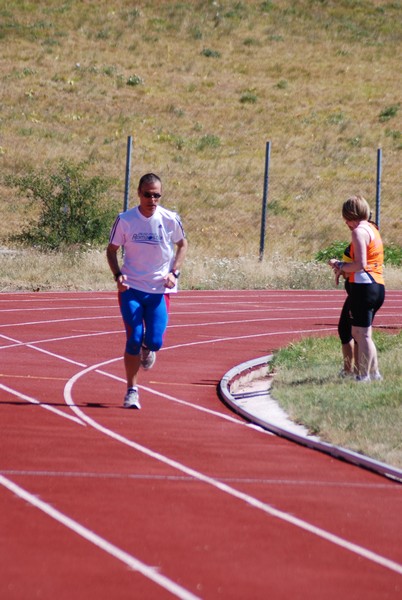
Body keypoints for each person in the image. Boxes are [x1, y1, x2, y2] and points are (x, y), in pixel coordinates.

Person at [106, 173, 188, 409]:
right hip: (131, 288)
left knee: (154, 341)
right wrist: (117, 275)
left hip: (159, 291)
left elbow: (182, 244)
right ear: (139, 194)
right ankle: (132, 390)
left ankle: (147, 349)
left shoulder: (170, 219)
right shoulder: (126, 219)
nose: (152, 200)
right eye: (147, 195)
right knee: (132, 338)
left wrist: (175, 272)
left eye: (156, 195)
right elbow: (111, 250)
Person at [328, 194, 385, 382]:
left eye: (346, 219)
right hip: (377, 285)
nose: (346, 223)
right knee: (361, 332)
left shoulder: (358, 231)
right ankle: (374, 372)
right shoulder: (372, 229)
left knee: (362, 334)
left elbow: (360, 264)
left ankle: (363, 376)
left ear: (351, 215)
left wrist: (340, 265)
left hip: (364, 286)